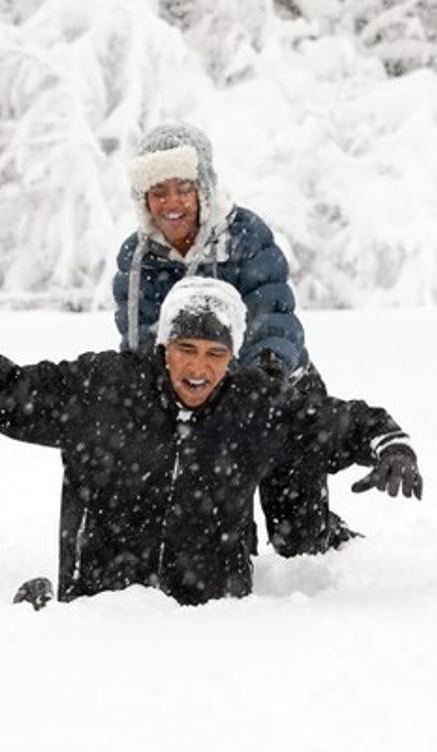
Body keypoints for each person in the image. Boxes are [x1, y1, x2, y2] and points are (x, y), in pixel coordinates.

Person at [0, 278, 421, 607]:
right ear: (163, 347)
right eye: (185, 349)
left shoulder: (255, 406)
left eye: (215, 353)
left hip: (210, 628)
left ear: (232, 357)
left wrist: (390, 447)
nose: (198, 368)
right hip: (98, 616)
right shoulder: (106, 385)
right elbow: (1, 383)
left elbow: (346, 422)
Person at [113, 122, 345, 558]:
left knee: (298, 541)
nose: (172, 203)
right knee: (221, 540)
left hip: (277, 389)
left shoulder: (245, 236)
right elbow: (140, 339)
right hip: (201, 402)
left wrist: (265, 374)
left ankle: (328, 534)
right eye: (158, 192)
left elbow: (273, 312)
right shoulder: (137, 257)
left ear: (203, 187)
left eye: (182, 188)